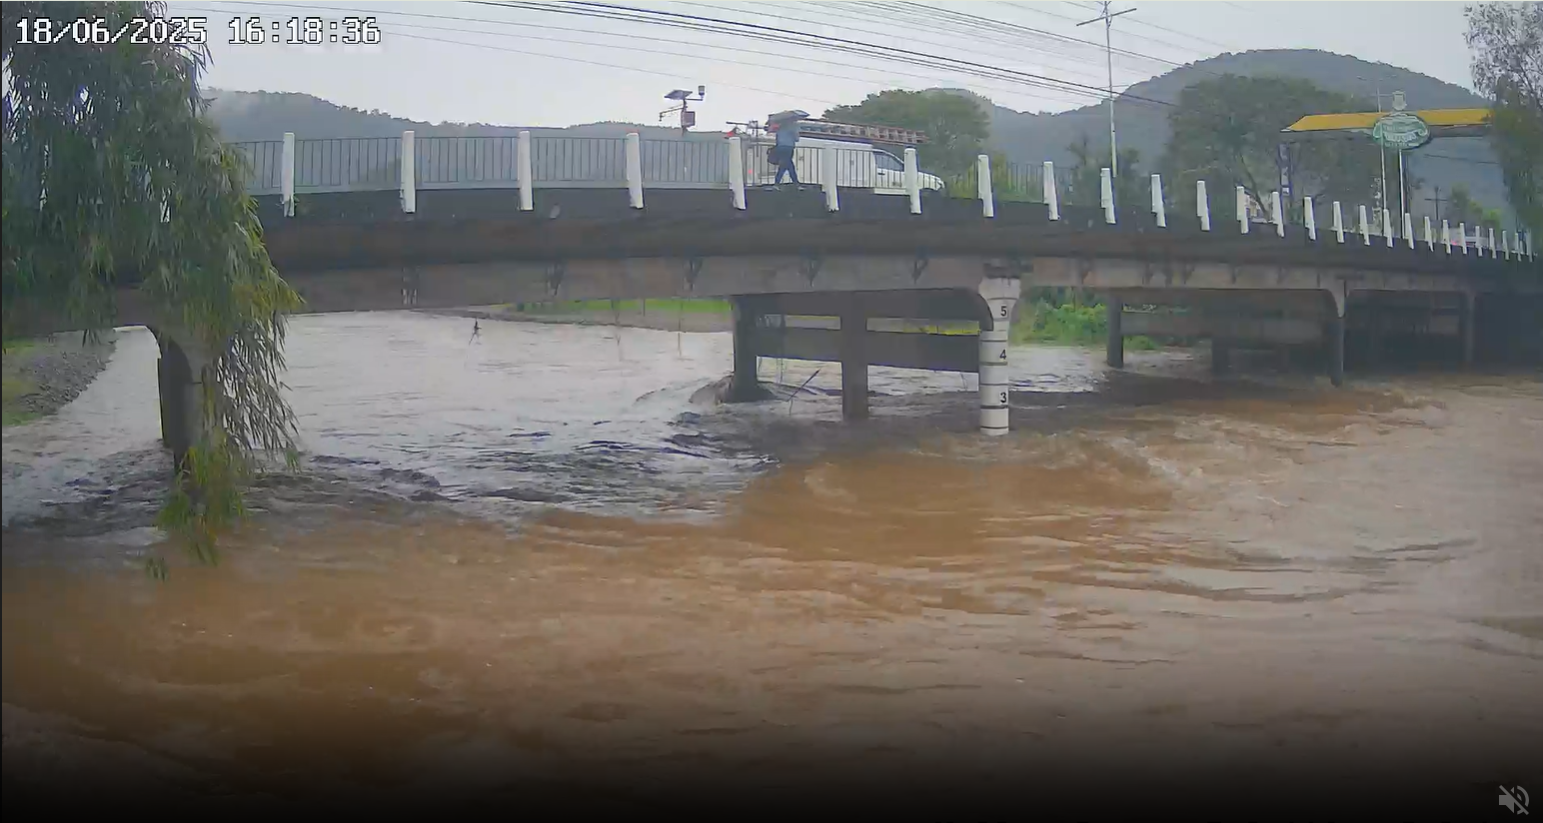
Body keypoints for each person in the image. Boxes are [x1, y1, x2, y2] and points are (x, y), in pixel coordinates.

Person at [772, 118, 802, 188]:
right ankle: (795, 183)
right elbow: (796, 139)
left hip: (780, 147)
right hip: (789, 147)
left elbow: (777, 139)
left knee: (786, 164)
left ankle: (795, 182)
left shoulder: (780, 128)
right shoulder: (792, 128)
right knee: (787, 165)